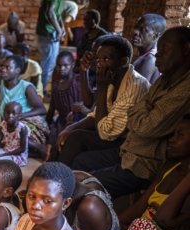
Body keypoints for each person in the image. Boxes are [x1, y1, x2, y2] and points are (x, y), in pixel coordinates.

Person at [66, 28, 190, 199]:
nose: (158, 54)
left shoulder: (183, 89)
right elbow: (137, 113)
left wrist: (138, 110)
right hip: (127, 152)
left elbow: (144, 127)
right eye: (158, 49)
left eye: (165, 48)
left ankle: (61, 204)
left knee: (84, 186)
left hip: (143, 163)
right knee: (79, 158)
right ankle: (50, 185)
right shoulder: (164, 80)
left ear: (186, 49)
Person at [57, 36, 150, 168]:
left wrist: (102, 88)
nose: (100, 64)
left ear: (123, 61)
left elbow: (105, 132)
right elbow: (96, 114)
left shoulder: (134, 86)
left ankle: (56, 181)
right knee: (68, 135)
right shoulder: (113, 78)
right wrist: (70, 127)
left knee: (77, 140)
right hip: (111, 133)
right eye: (98, 59)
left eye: (106, 59)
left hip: (127, 144)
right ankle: (46, 177)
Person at [0, 55, 49, 160]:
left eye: (8, 67)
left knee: (15, 132)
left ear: (17, 70)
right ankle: (35, 153)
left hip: (27, 121)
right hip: (10, 122)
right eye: (2, 66)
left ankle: (40, 147)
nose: (3, 69)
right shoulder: (2, 83)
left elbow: (42, 109)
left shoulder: (26, 87)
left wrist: (22, 115)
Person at [46, 51, 82, 140]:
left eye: (65, 65)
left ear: (72, 65)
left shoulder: (79, 80)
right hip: (61, 122)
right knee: (52, 141)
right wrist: (46, 125)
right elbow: (51, 108)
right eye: (59, 65)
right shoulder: (56, 85)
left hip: (78, 120)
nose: (62, 68)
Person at [36, 0, 64, 94]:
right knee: (47, 65)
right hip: (48, 33)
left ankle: (41, 89)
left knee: (50, 64)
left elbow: (57, 14)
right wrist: (59, 29)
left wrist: (61, 27)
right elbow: (50, 12)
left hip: (51, 32)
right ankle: (40, 91)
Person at [132, 14, 167, 85]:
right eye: (136, 27)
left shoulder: (150, 60)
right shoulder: (145, 56)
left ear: (155, 36)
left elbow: (137, 93)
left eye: (143, 30)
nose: (135, 32)